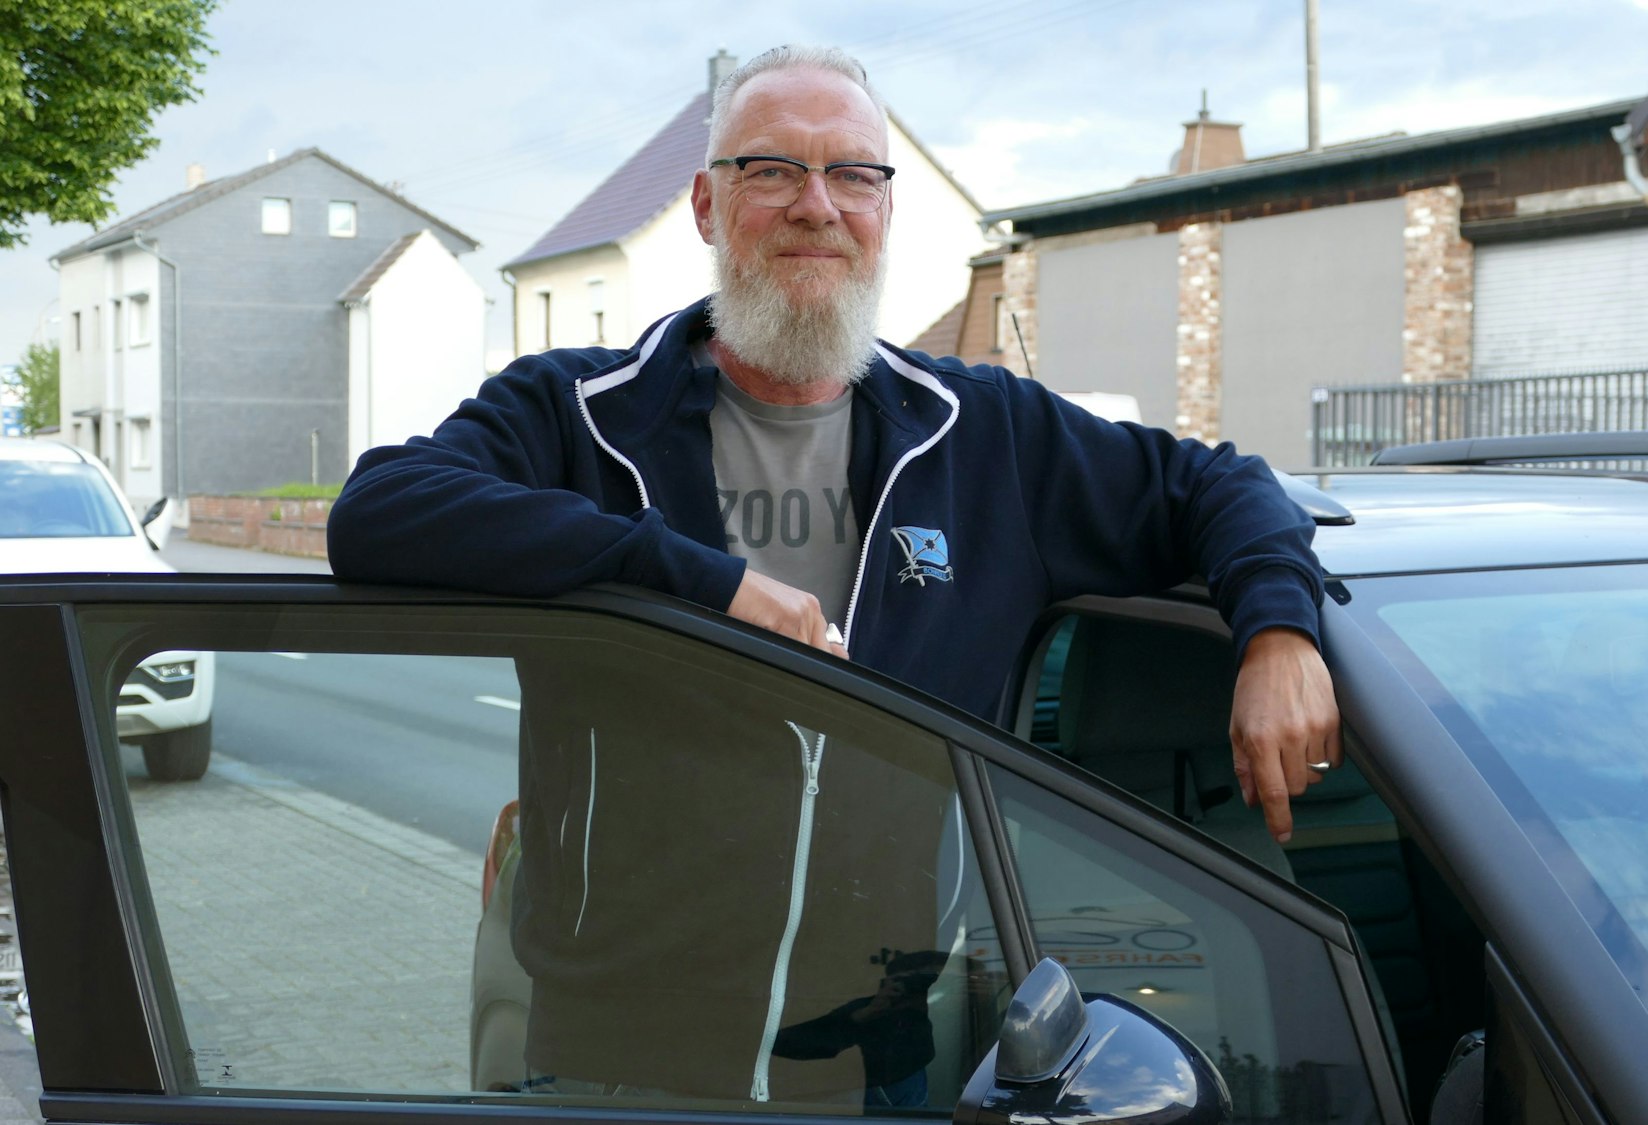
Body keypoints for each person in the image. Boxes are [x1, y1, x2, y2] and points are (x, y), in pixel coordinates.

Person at [327, 44, 1341, 1097]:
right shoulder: (575, 414)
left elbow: (1219, 486)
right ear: (708, 208)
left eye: (853, 173)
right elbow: (380, 512)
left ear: (885, 211)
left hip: (888, 1063)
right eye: (772, 170)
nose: (817, 205)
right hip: (617, 1056)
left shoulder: (983, 434)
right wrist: (699, 587)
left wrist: (1276, 633)